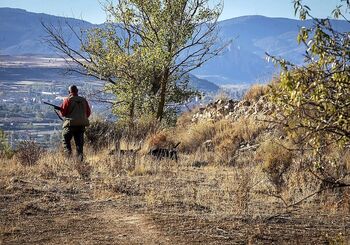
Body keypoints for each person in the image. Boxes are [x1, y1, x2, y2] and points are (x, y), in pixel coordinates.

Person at [60, 85, 91, 161]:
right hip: (81, 126)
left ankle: (69, 160)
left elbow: (63, 114)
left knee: (65, 140)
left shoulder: (67, 100)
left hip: (70, 125)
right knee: (79, 145)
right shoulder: (84, 100)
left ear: (69, 92)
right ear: (77, 91)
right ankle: (80, 162)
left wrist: (60, 110)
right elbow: (88, 113)